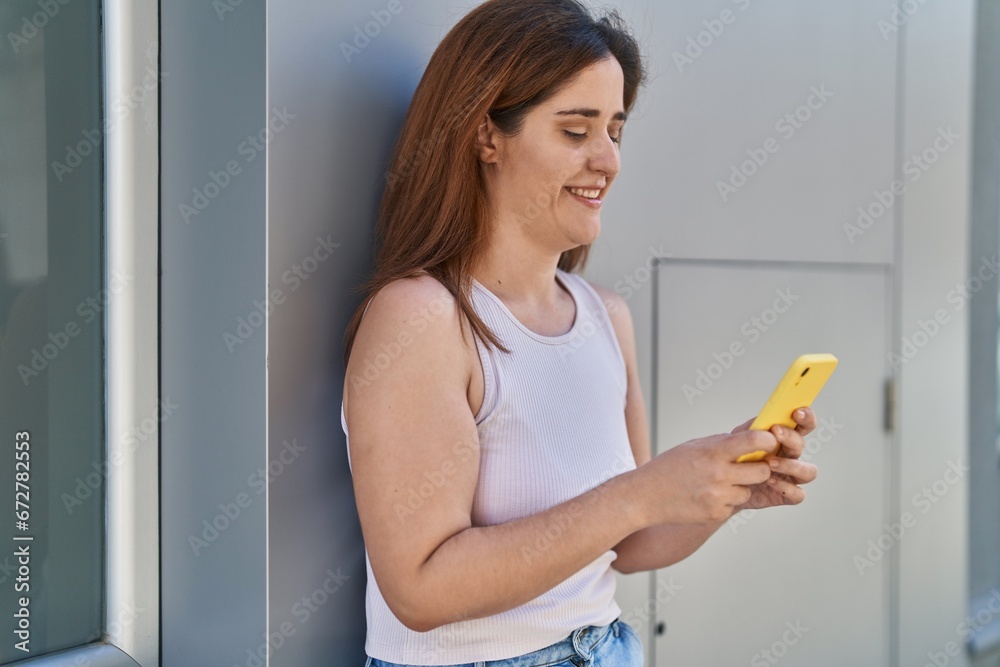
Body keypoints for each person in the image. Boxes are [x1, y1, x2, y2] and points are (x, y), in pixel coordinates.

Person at [340, 1, 820, 665]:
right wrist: (640, 492)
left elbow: (633, 539)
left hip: (608, 648)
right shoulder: (422, 317)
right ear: (487, 136)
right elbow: (418, 587)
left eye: (616, 131)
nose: (609, 160)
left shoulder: (604, 316)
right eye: (576, 131)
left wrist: (727, 487)